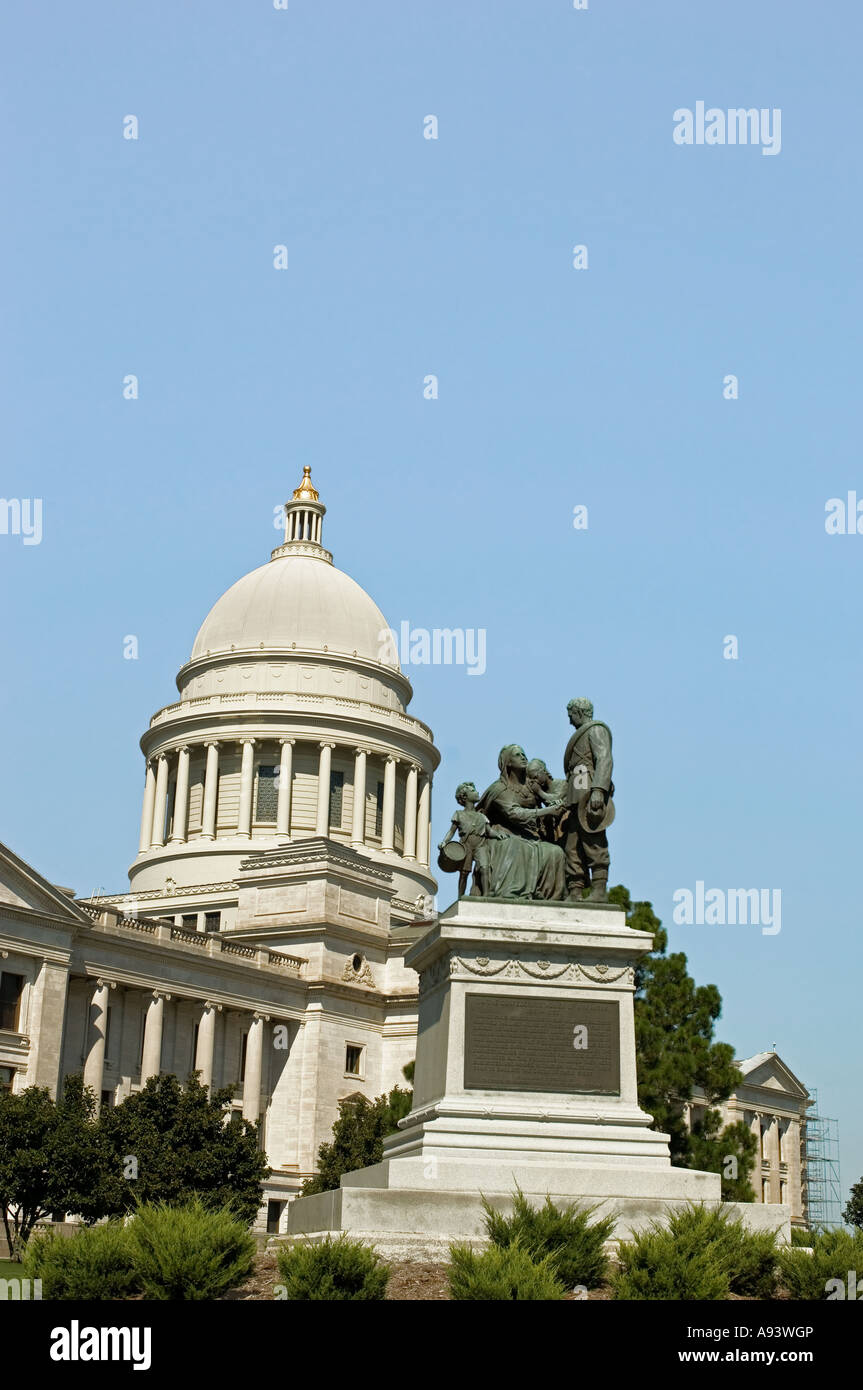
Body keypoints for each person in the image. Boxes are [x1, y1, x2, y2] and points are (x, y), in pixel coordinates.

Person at [477, 745, 566, 899]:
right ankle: (512, 892)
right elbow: (515, 814)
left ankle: (549, 899)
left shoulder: (530, 785)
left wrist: (559, 800)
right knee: (516, 846)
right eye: (518, 755)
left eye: (524, 754)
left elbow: (546, 798)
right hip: (502, 835)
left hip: (530, 836)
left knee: (555, 852)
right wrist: (547, 811)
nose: (523, 757)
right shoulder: (499, 789)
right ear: (508, 763)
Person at [562, 698, 614, 901]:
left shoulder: (596, 730)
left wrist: (598, 790)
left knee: (593, 839)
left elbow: (604, 758)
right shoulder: (583, 732)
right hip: (576, 793)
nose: (569, 721)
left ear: (579, 712)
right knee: (572, 845)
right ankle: (575, 890)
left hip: (589, 791)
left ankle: (599, 890)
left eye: (570, 716)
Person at [438, 782, 503, 896]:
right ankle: (460, 897)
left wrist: (498, 835)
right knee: (464, 873)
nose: (477, 792)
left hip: (480, 845)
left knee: (484, 868)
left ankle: (486, 896)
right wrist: (445, 841)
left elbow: (488, 831)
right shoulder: (459, 814)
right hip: (465, 846)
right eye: (473, 791)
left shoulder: (482, 816)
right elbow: (451, 831)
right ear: (464, 796)